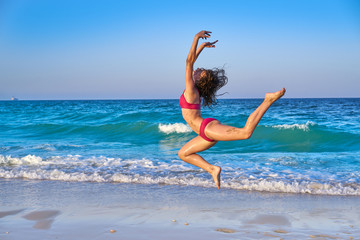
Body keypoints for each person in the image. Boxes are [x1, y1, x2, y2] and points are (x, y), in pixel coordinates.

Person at [178, 30, 286, 189]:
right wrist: (201, 46)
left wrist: (195, 38)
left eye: (200, 71)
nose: (197, 68)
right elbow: (192, 61)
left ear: (199, 80)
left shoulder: (192, 90)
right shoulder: (194, 90)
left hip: (207, 128)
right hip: (203, 134)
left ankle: (268, 100)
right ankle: (212, 169)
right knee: (183, 154)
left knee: (246, 133)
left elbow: (189, 62)